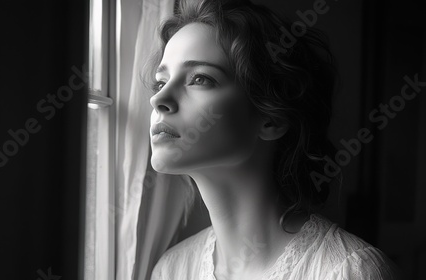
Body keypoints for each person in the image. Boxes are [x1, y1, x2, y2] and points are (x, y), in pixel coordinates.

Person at [146, 0, 400, 279]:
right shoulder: (172, 270)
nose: (159, 99)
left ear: (272, 118)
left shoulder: (350, 272)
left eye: (200, 79)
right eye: (161, 82)